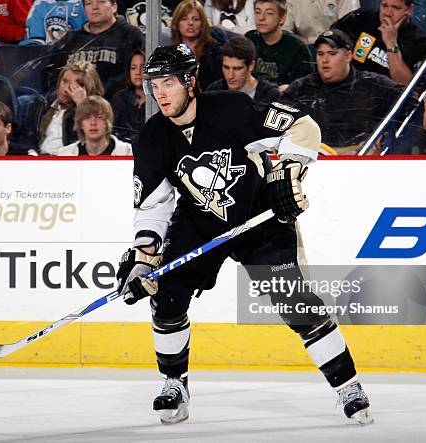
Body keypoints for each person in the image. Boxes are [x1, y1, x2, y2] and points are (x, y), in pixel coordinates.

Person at [115, 44, 372, 426]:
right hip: (199, 222)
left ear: (190, 82)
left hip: (258, 215)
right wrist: (144, 257)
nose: (160, 93)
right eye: (154, 85)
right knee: (166, 297)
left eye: (168, 83)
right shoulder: (151, 139)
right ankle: (174, 385)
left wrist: (287, 173)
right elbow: (153, 206)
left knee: (296, 302)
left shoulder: (233, 109)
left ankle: (348, 385)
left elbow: (304, 127)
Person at [284, 29, 407, 152]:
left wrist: (383, 135)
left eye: (332, 54)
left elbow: (410, 100)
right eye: (320, 54)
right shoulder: (300, 88)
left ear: (348, 56)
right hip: (313, 156)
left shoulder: (371, 83)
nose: (325, 60)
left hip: (357, 158)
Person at [45, 0, 144, 99]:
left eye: (101, 2)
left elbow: (132, 77)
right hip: (70, 105)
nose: (95, 7)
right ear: (84, 10)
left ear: (114, 6)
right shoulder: (70, 39)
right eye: (89, 3)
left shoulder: (130, 35)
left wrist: (93, 96)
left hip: (111, 106)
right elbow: (52, 73)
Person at [331, 0, 426, 85]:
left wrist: (391, 43)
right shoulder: (360, 20)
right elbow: (329, 49)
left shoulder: (419, 43)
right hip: (348, 91)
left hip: (387, 100)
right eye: (384, 6)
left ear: (409, 10)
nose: (388, 13)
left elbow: (407, 88)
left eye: (396, 8)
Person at [21, 60, 104, 154]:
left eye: (75, 86)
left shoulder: (97, 112)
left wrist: (82, 105)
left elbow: (94, 144)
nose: (66, 89)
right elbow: (27, 135)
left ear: (87, 89)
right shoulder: (42, 104)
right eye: (64, 81)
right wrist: (31, 153)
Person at [245, 0, 314, 92]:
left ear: (282, 18)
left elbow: (307, 86)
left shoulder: (297, 48)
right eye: (258, 12)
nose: (261, 18)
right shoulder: (250, 39)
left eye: (269, 13)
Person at [205, 35, 280, 110]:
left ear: (251, 65)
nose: (230, 75)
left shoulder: (271, 96)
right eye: (226, 67)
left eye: (237, 69)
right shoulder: (213, 91)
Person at [170, 0, 223, 92]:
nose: (190, 23)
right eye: (184, 18)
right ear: (177, 24)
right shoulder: (170, 54)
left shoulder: (215, 53)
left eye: (196, 19)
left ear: (202, 24)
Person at [55, 95, 132, 155]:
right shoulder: (65, 154)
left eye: (99, 117)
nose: (93, 123)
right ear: (80, 124)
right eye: (87, 117)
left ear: (107, 121)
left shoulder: (127, 152)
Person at [110, 49, 146, 144]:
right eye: (133, 68)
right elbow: (115, 131)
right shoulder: (120, 99)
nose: (138, 72)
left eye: (143, 67)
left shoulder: (159, 97)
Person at [283, 0, 360, 44]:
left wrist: (311, 40)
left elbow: (349, 29)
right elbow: (285, 30)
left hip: (336, 46)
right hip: (303, 47)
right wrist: (299, 40)